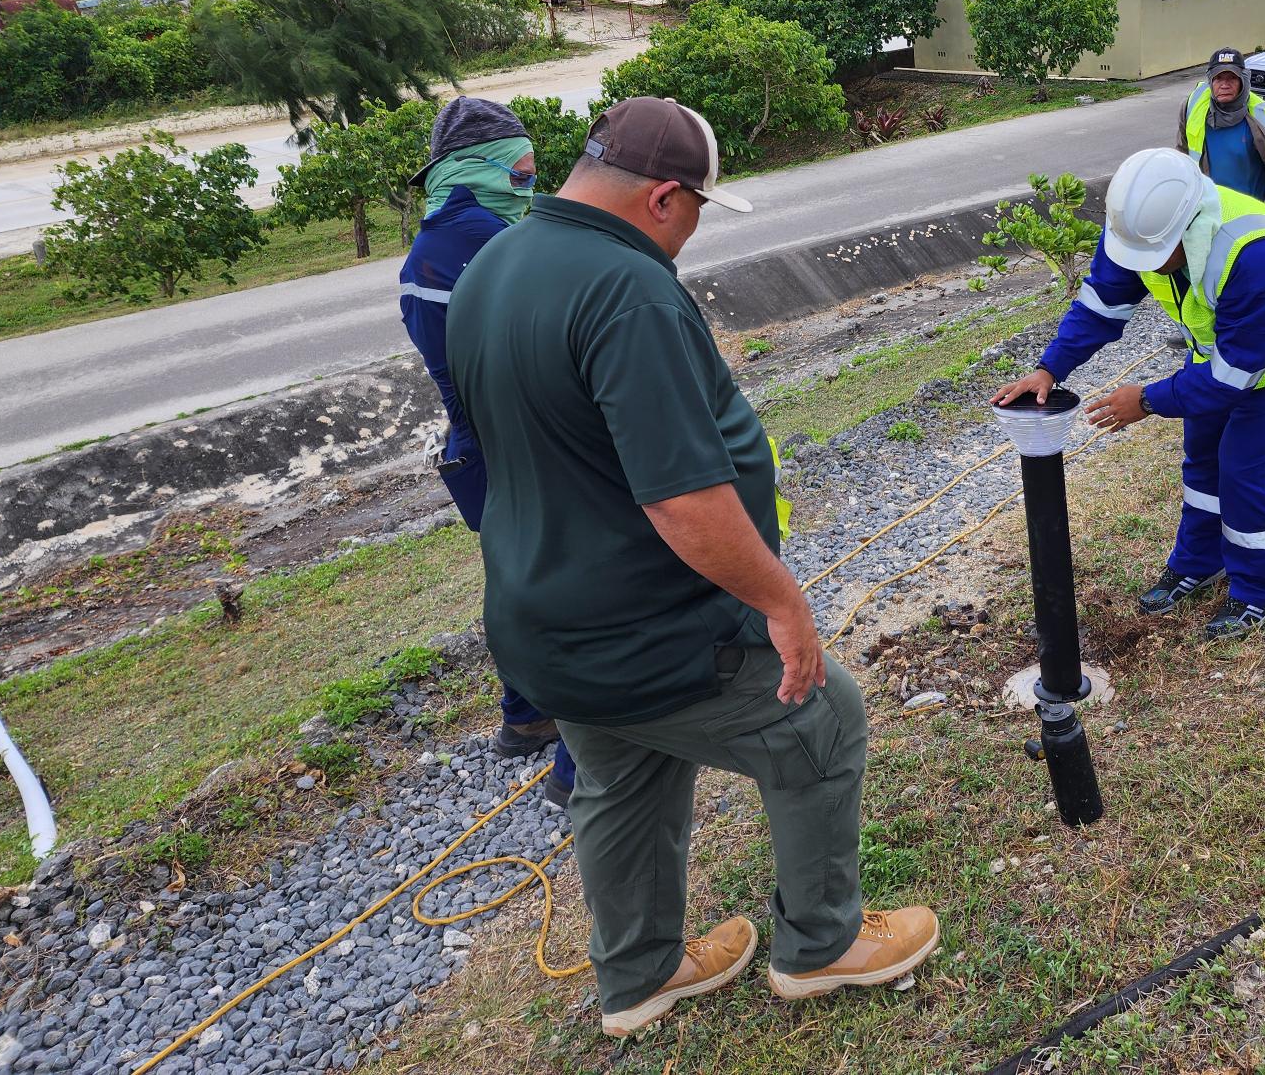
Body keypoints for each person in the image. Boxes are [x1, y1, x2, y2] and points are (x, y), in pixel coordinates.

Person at [446, 96, 939, 1038]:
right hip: (651, 623)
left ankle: (639, 976)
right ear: (664, 198)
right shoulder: (627, 289)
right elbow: (681, 498)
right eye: (701, 208)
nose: (695, 231)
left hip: (542, 618)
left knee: (624, 777)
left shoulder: (494, 266)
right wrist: (782, 603)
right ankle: (824, 945)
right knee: (824, 718)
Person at [992, 147, 1265, 637]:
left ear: (1188, 224)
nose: (1149, 268)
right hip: (1219, 351)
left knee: (1246, 468)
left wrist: (1146, 400)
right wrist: (1049, 369)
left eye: (1158, 258)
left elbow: (1233, 377)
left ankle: (1261, 591)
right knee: (1202, 457)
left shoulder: (1253, 251)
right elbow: (1101, 307)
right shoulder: (1137, 229)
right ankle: (1199, 563)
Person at [398, 96, 576, 811]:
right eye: (523, 172)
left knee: (515, 579)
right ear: (482, 168)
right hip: (521, 447)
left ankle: (525, 713)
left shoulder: (433, 240)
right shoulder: (494, 242)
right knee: (574, 593)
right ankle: (578, 768)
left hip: (472, 450)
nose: (532, 186)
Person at [1177, 47, 1265, 211]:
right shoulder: (1192, 106)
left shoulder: (1260, 114)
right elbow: (1181, 155)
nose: (1224, 85)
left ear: (1243, 81)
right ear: (1210, 81)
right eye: (1218, 78)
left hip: (1251, 213)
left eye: (1232, 78)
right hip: (1209, 212)